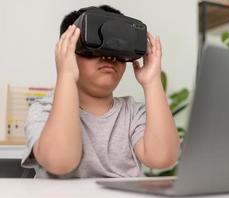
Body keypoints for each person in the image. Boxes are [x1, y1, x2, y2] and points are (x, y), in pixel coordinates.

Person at [21, 5, 180, 178]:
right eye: (96, 47)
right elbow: (60, 161)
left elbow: (163, 158)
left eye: (117, 49)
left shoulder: (133, 113)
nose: (109, 56)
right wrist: (66, 75)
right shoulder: (44, 110)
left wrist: (152, 82)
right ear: (68, 51)